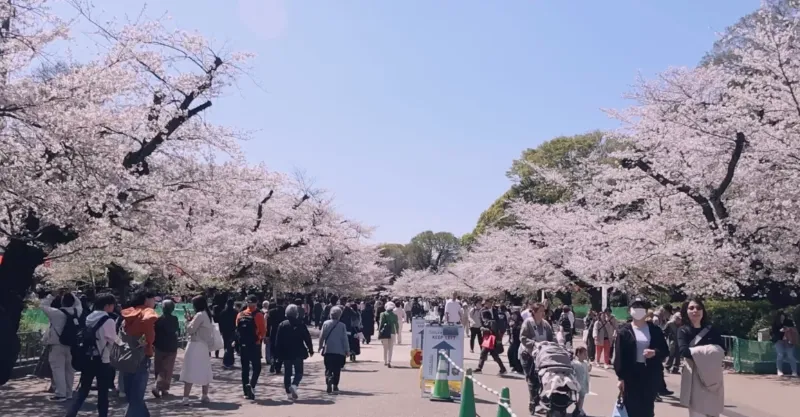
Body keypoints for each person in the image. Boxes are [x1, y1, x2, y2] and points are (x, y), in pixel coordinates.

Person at [613, 299, 669, 417]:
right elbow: (619, 356)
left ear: (646, 311)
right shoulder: (624, 331)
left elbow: (664, 350)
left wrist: (654, 352)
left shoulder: (654, 330)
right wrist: (620, 377)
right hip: (631, 374)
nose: (638, 311)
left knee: (647, 408)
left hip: (650, 373)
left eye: (641, 308)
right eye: (635, 308)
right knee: (631, 407)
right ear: (629, 311)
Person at [64, 293, 117, 417]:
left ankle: (71, 413)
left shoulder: (89, 317)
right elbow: (112, 340)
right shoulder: (108, 320)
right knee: (103, 392)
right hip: (102, 359)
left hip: (88, 357)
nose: (113, 307)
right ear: (107, 305)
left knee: (83, 390)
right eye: (112, 305)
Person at [677, 297, 726, 417]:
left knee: (713, 412)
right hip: (694, 375)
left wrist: (698, 352)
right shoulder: (683, 330)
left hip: (712, 376)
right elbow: (684, 351)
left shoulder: (712, 329)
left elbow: (722, 350)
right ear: (686, 311)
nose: (695, 310)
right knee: (697, 411)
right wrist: (710, 350)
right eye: (691, 308)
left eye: (698, 308)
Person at [40, 291, 83, 402]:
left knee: (58, 369)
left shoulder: (56, 313)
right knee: (70, 370)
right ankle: (69, 393)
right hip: (72, 345)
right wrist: (72, 293)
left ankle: (60, 394)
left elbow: (43, 305)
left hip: (57, 345)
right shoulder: (77, 312)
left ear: (62, 302)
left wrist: (52, 295)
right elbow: (78, 303)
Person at [121, 290, 158, 416]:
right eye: (153, 298)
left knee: (131, 393)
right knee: (137, 395)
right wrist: (146, 341)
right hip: (142, 355)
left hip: (127, 354)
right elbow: (150, 336)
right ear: (146, 299)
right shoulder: (147, 312)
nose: (154, 301)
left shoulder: (129, 313)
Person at [274, 304, 314, 401]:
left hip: (286, 352)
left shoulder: (282, 325)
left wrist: (276, 354)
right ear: (296, 313)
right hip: (298, 351)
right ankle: (295, 384)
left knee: (287, 372)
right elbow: (307, 338)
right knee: (299, 372)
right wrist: (310, 349)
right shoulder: (301, 324)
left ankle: (288, 393)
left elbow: (278, 341)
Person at [179, 295, 215, 406]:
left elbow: (190, 330)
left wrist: (187, 321)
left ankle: (185, 398)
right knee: (204, 369)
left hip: (195, 345)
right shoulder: (207, 315)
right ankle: (204, 395)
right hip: (203, 346)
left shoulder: (199, 315)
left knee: (190, 369)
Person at [236, 295, 266, 400]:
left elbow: (237, 330)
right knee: (257, 367)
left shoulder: (240, 315)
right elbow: (263, 331)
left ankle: (245, 392)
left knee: (245, 369)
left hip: (243, 345)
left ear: (247, 302)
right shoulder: (259, 315)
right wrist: (259, 338)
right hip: (255, 345)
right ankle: (252, 385)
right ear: (256, 302)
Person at [152, 299, 179, 398]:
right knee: (167, 369)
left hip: (159, 346)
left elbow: (154, 332)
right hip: (171, 346)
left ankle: (161, 388)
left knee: (158, 367)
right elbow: (176, 331)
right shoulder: (174, 319)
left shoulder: (158, 320)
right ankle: (159, 387)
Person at [320, 306, 350, 394]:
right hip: (339, 351)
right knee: (337, 369)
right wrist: (347, 350)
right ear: (339, 315)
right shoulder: (342, 325)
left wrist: (320, 346)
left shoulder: (325, 323)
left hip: (328, 350)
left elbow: (322, 336)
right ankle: (335, 385)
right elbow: (345, 339)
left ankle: (329, 378)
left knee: (328, 367)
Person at [771, 310, 799, 377]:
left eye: (783, 315)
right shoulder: (775, 323)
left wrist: (788, 329)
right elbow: (773, 333)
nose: (782, 317)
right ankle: (779, 370)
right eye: (781, 315)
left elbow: (794, 330)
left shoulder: (789, 322)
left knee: (790, 356)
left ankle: (794, 371)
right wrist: (780, 331)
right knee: (780, 355)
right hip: (779, 341)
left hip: (789, 341)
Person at [378, 301, 400, 367]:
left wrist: (379, 332)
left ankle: (385, 361)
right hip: (392, 332)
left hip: (385, 332)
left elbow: (381, 324)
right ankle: (389, 361)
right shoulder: (394, 315)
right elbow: (397, 324)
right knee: (391, 348)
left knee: (385, 347)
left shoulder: (383, 314)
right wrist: (397, 331)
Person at [572, 346, 592, 417]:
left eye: (586, 354)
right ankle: (579, 409)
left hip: (584, 382)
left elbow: (588, 370)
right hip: (577, 382)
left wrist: (590, 367)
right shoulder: (574, 363)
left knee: (582, 397)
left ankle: (579, 409)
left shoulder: (585, 363)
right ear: (578, 354)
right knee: (576, 397)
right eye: (584, 354)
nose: (586, 356)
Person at [268, 299, 286, 374]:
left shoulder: (271, 312)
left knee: (273, 349)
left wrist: (267, 335)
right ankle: (278, 367)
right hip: (282, 332)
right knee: (281, 350)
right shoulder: (284, 311)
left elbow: (268, 324)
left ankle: (272, 362)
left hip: (273, 332)